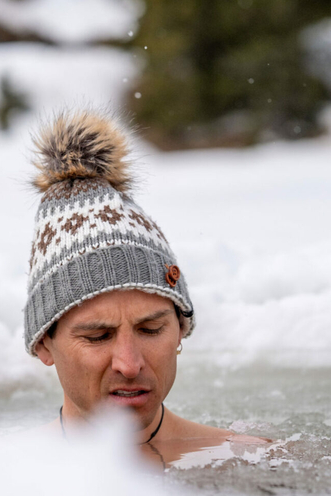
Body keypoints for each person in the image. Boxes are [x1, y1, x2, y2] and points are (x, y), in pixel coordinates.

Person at [22, 110, 266, 467]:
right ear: (45, 343)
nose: (130, 364)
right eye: (98, 336)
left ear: (181, 329)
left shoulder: (251, 461)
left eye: (151, 329)